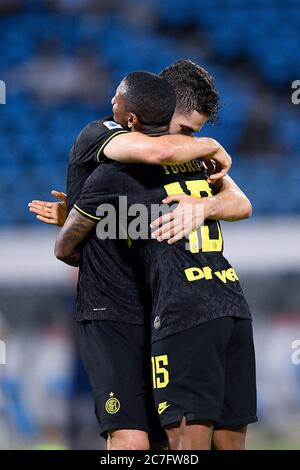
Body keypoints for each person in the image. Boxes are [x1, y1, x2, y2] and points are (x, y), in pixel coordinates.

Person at [54, 64, 256, 450]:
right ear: (155, 114)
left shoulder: (186, 159)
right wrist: (77, 225)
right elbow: (66, 247)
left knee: (170, 441)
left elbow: (242, 203)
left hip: (162, 306)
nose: (191, 141)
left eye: (197, 135)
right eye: (187, 132)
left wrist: (205, 207)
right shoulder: (108, 141)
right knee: (132, 442)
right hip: (110, 310)